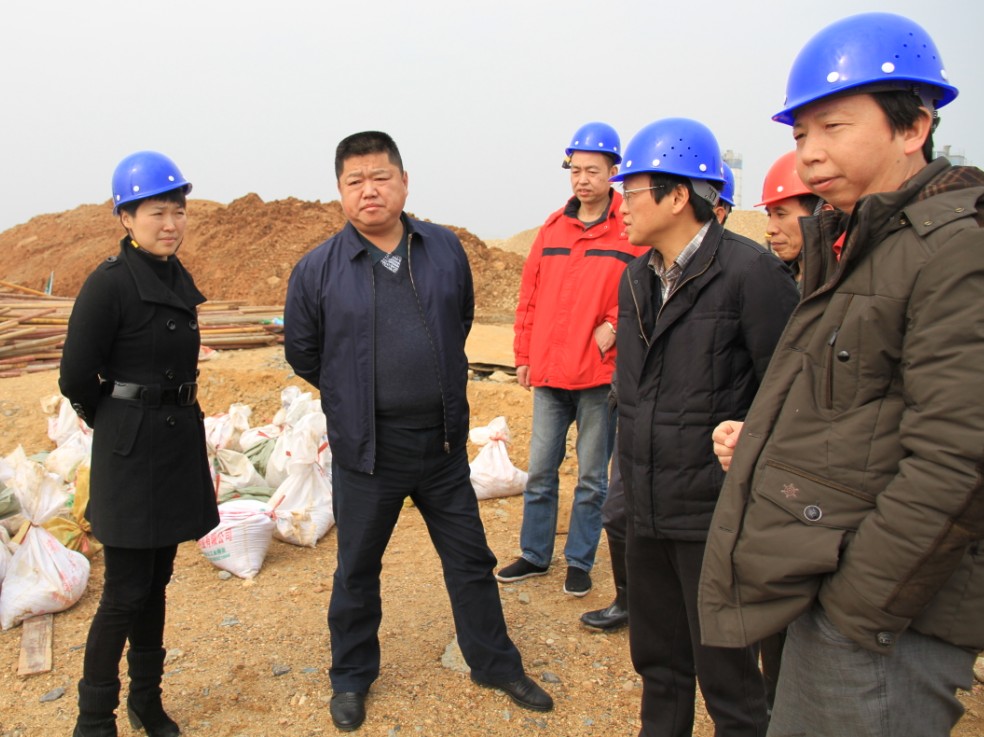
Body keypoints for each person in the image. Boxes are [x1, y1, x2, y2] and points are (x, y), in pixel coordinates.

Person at [698, 13, 984, 737]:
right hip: (833, 583)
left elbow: (959, 457)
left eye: (833, 127)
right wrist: (762, 444)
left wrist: (856, 607)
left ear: (913, 126)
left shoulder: (955, 251)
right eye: (800, 135)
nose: (810, 154)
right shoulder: (857, 246)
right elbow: (856, 413)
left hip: (886, 623)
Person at [284, 131, 552, 732]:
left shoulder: (444, 249)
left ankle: (494, 663)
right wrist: (355, 393)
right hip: (367, 451)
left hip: (442, 445)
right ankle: (351, 678)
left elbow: (459, 320)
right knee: (357, 569)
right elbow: (304, 352)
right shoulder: (318, 269)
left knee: (470, 560)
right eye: (355, 181)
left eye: (380, 177)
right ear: (340, 192)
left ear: (404, 183)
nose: (369, 191)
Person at [612, 117, 799, 737]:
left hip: (715, 517)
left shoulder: (751, 274)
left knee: (730, 680)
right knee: (659, 666)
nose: (621, 206)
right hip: (647, 511)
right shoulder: (636, 278)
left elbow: (788, 395)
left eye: (631, 191)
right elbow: (633, 395)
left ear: (676, 196)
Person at [60, 151, 219, 737]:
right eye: (157, 212)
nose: (171, 223)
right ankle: (93, 718)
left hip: (173, 446)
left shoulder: (174, 276)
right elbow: (76, 377)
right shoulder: (109, 284)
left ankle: (146, 702)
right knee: (125, 592)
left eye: (179, 210)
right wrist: (115, 422)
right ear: (126, 217)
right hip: (130, 452)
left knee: (156, 585)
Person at [496, 122, 648, 597]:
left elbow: (649, 286)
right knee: (541, 471)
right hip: (549, 371)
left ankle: (580, 560)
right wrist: (523, 355)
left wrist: (615, 324)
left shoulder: (630, 230)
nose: (582, 179)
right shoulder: (553, 228)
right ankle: (535, 554)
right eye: (576, 170)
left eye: (592, 171)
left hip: (598, 374)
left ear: (613, 172)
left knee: (591, 478)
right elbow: (530, 296)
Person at [757, 150, 822, 284]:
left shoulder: (851, 283)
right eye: (770, 215)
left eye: (781, 214)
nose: (770, 229)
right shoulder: (774, 282)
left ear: (822, 214)